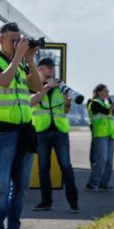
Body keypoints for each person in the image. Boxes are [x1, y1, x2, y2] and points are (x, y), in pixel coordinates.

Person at [0, 22, 43, 229]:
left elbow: (37, 87)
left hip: (25, 130)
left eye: (20, 39)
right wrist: (18, 56)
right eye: (13, 39)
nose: (17, 43)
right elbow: (3, 81)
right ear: (1, 40)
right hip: (3, 131)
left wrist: (29, 60)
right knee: (1, 185)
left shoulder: (21, 64)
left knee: (20, 187)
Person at [30, 57, 79, 213]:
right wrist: (45, 88)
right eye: (48, 67)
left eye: (52, 67)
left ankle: (73, 203)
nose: (51, 69)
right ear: (39, 69)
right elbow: (30, 102)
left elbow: (64, 110)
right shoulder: (33, 85)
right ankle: (46, 202)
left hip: (60, 131)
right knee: (43, 168)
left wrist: (68, 102)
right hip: (41, 131)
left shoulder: (60, 86)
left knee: (66, 166)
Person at [86, 84, 114, 191]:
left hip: (110, 134)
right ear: (99, 92)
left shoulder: (106, 103)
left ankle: (104, 183)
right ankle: (93, 183)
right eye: (106, 91)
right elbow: (107, 112)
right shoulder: (93, 103)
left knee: (109, 161)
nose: (108, 93)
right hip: (100, 134)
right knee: (101, 159)